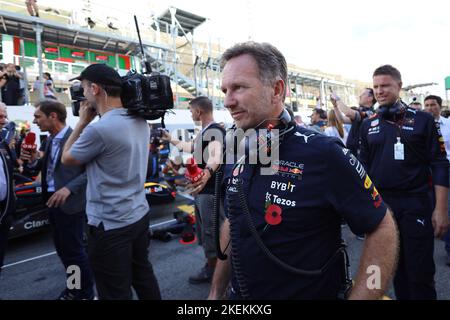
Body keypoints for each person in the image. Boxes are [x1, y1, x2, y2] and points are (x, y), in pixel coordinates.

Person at [208, 41, 398, 300]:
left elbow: (381, 227)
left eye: (238, 87)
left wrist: (365, 293)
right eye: (224, 90)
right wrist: (216, 292)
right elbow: (235, 219)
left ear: (276, 90)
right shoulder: (241, 148)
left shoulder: (323, 153)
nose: (228, 101)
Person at [61, 64, 161, 300]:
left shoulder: (99, 130)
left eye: (84, 88)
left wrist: (83, 122)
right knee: (143, 275)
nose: (82, 95)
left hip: (109, 224)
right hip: (138, 214)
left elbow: (66, 158)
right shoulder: (139, 121)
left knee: (114, 291)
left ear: (95, 89)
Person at [359, 65, 449, 300]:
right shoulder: (368, 124)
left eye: (385, 85)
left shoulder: (424, 120)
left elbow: (440, 164)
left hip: (416, 203)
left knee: (419, 273)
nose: (380, 91)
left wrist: (440, 210)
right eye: (376, 86)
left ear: (399, 86)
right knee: (394, 270)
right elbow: (363, 169)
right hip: (382, 207)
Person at [20, 99, 95, 300]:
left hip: (71, 205)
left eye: (38, 116)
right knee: (64, 252)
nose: (35, 121)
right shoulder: (48, 140)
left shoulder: (77, 137)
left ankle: (81, 292)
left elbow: (90, 173)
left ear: (53, 116)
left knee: (74, 253)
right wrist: (34, 158)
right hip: (51, 203)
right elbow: (43, 169)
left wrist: (68, 189)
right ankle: (75, 288)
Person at [161, 96, 225, 284]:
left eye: (191, 111)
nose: (190, 114)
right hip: (202, 191)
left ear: (199, 112)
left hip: (210, 192)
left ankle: (215, 272)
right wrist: (170, 138)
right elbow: (190, 147)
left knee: (211, 232)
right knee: (205, 231)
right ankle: (212, 267)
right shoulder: (206, 131)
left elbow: (216, 157)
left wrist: (206, 172)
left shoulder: (214, 131)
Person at [424, 95, 450, 266]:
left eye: (433, 105)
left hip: (446, 169)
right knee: (430, 205)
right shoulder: (420, 125)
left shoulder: (448, 125)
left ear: (439, 107)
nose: (429, 108)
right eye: (426, 105)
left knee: (446, 206)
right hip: (426, 171)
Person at [330, 88, 376, 157]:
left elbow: (348, 113)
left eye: (363, 94)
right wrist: (335, 106)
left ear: (370, 98)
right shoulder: (362, 111)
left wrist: (337, 99)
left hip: (360, 154)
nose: (360, 96)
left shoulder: (370, 113)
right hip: (353, 152)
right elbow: (342, 120)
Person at [0, 103, 15, 276]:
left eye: (4, 116)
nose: (3, 121)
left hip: (4, 213)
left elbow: (16, 169)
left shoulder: (4, 143)